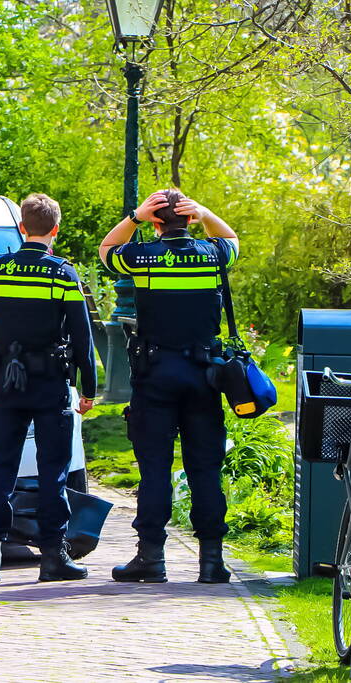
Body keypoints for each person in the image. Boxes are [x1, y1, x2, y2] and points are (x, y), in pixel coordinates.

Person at [99, 189, 239, 584]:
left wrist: (135, 216)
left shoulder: (141, 257)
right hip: (204, 375)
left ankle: (151, 557)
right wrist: (205, 211)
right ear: (189, 220)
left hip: (156, 373)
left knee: (155, 467)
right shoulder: (213, 255)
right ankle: (212, 560)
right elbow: (232, 239)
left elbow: (107, 248)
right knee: (205, 467)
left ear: (156, 222)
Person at [0, 193, 97, 583]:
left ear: (22, 227)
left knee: (1, 468)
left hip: (9, 383)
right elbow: (82, 336)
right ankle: (53, 557)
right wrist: (87, 389)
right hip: (51, 383)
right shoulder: (62, 274)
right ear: (55, 230)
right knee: (52, 471)